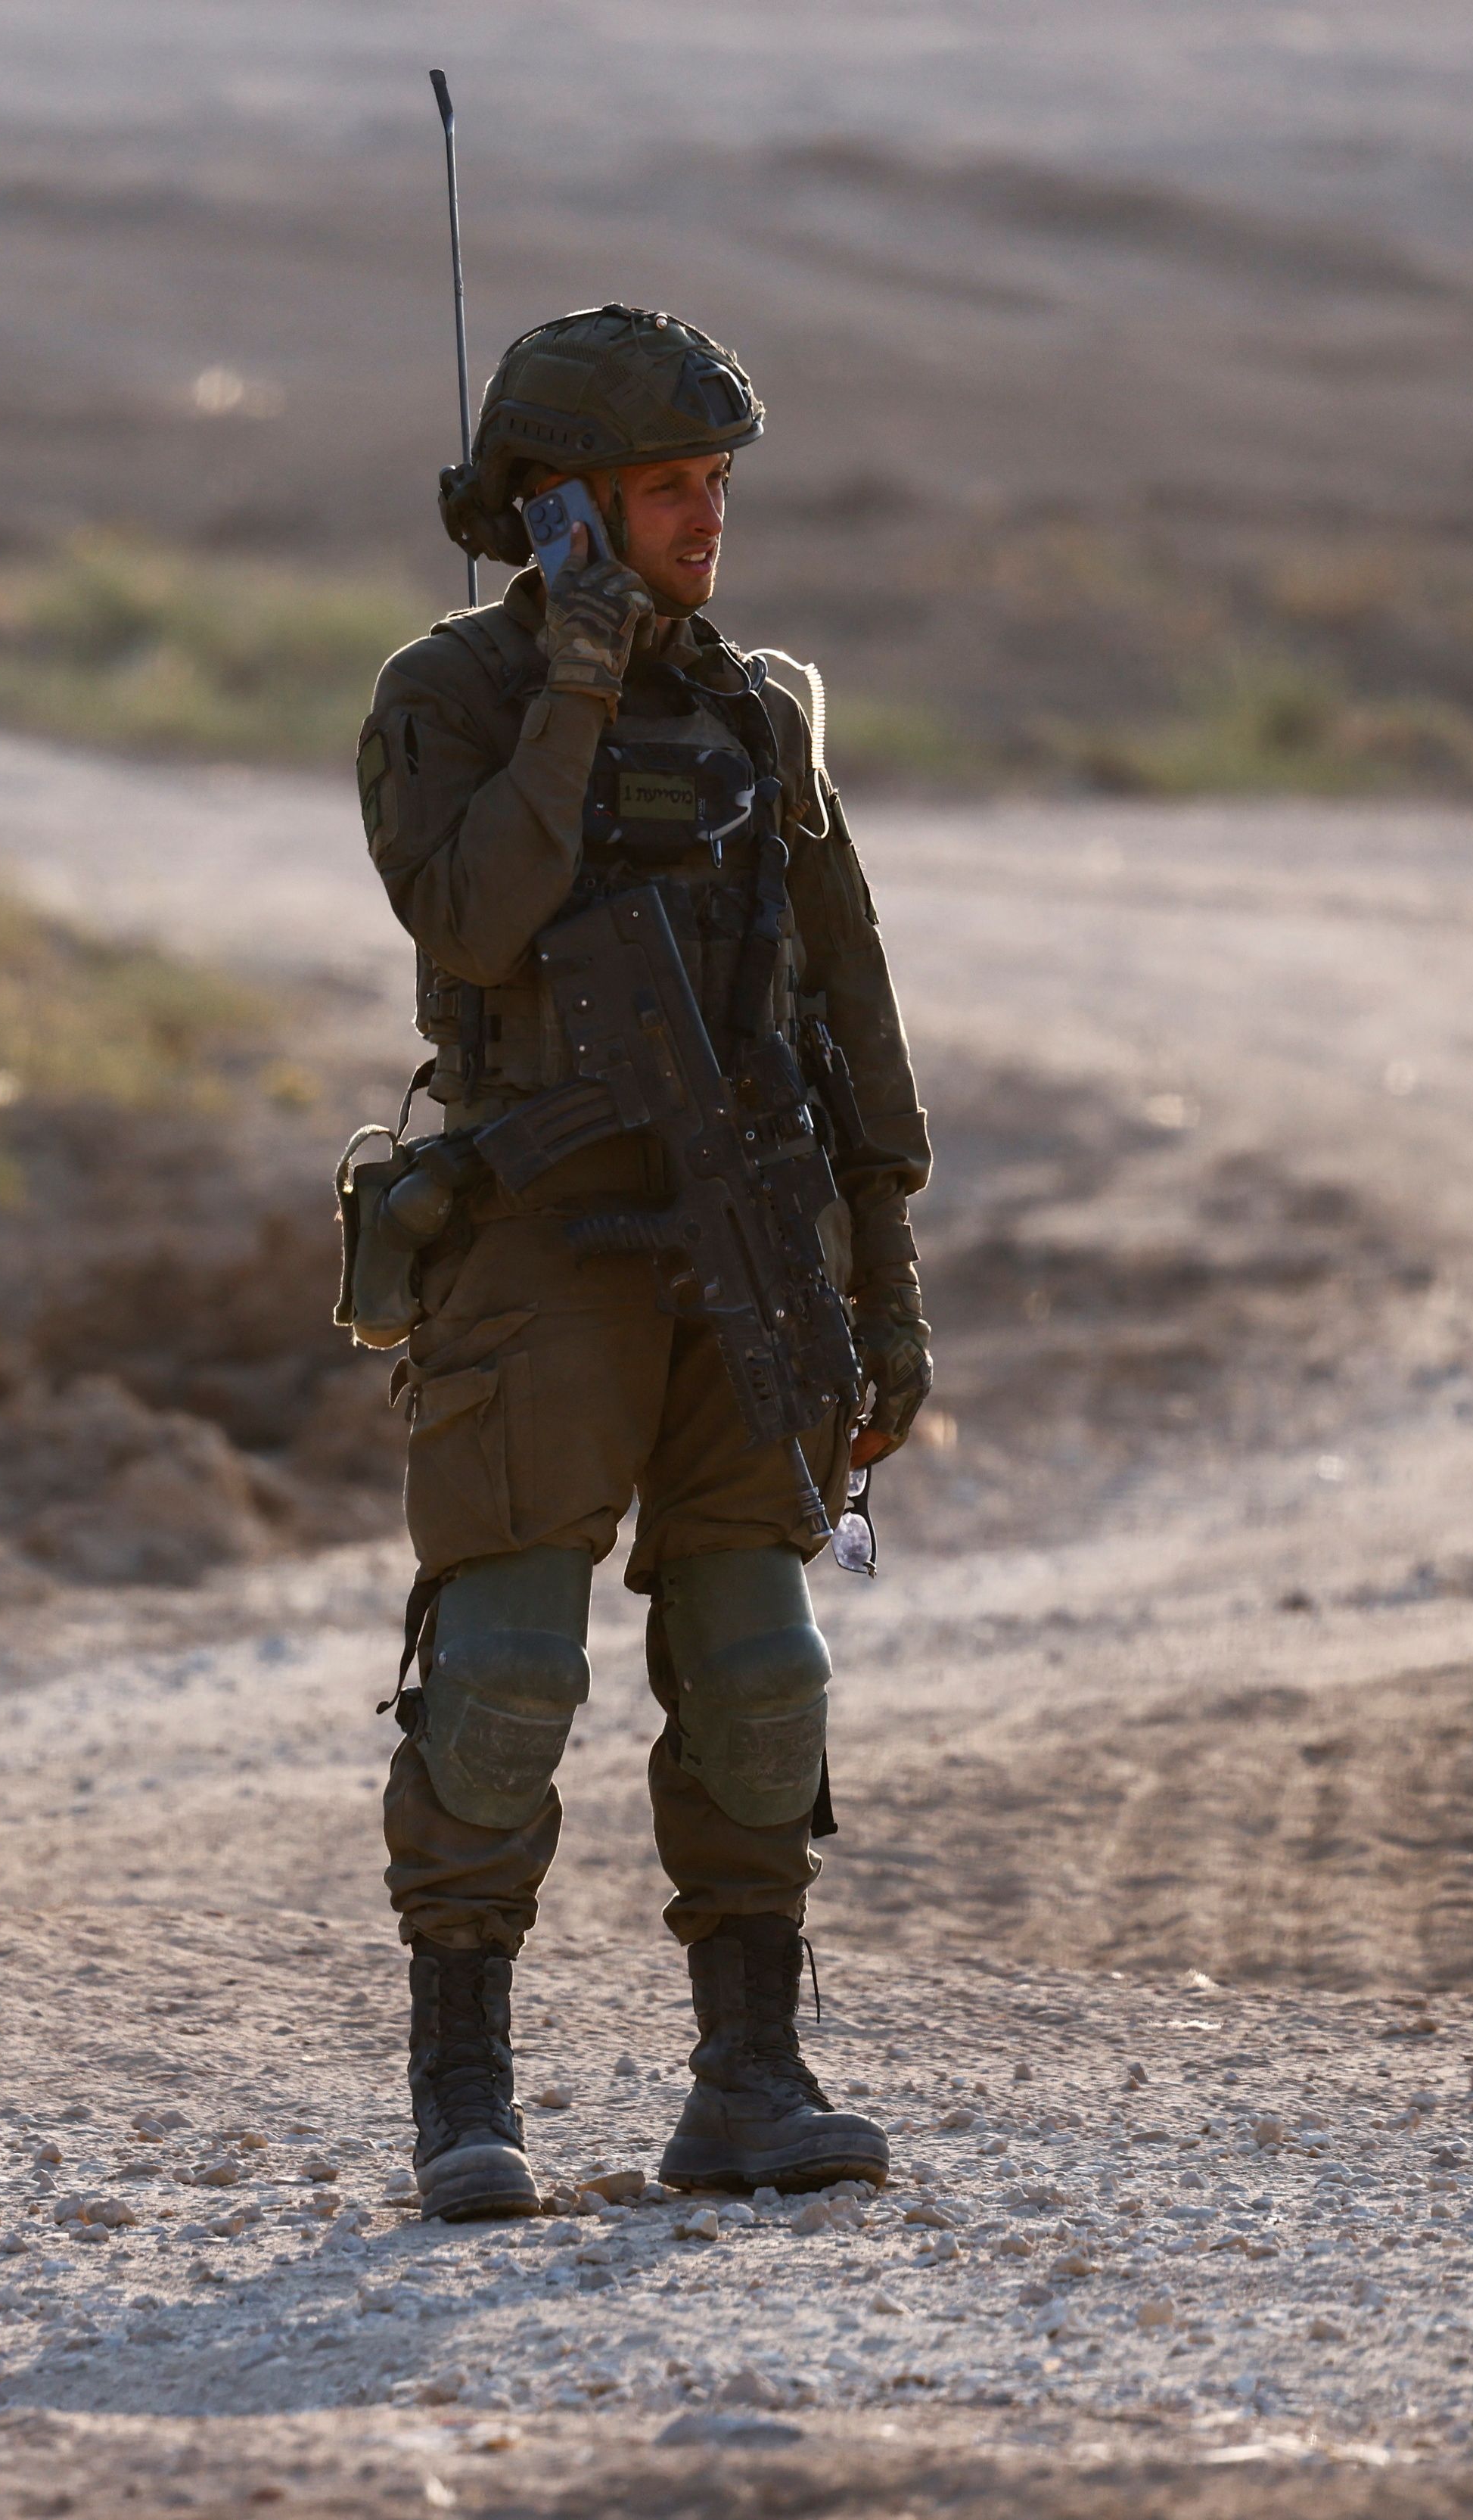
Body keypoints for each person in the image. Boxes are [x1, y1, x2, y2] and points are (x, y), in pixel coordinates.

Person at [352, 305, 935, 2220]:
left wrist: (885, 1279)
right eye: (670, 489)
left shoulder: (763, 710)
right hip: (539, 1255)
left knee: (763, 1669)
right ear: (566, 512)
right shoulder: (445, 697)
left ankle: (750, 2083)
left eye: (715, 487)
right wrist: (579, 681)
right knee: (507, 1671)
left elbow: (845, 1008)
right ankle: (464, 2103)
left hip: (747, 1250)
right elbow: (479, 915)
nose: (708, 520)